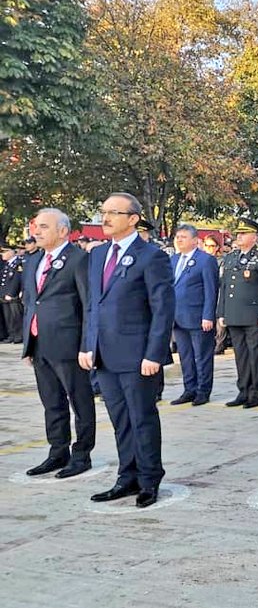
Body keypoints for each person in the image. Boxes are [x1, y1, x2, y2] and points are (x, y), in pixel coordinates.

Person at [81, 192, 174, 508]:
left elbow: (162, 309)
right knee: (120, 419)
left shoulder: (151, 256)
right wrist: (87, 345)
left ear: (133, 218)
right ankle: (127, 476)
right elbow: (93, 305)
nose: (105, 218)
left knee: (142, 417)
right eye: (103, 211)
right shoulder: (97, 255)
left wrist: (154, 354)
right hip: (105, 354)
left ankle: (149, 479)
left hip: (137, 355)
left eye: (113, 213)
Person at [21, 208, 96, 479]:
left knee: (80, 401)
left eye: (43, 227)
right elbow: (31, 301)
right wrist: (29, 342)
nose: (36, 232)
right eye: (35, 226)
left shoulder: (78, 260)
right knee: (51, 402)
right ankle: (57, 451)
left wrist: (86, 345)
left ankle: (82, 454)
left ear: (63, 231)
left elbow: (88, 305)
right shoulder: (33, 261)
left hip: (68, 343)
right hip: (40, 343)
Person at [218, 218, 258, 408]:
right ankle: (243, 390)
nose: (239, 237)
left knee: (256, 356)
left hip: (253, 315)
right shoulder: (231, 257)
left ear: (254, 236)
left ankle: (256, 393)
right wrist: (221, 312)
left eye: (243, 233)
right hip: (234, 314)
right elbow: (224, 287)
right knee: (240, 355)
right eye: (238, 233)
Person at [169, 224, 219, 406]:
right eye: (177, 237)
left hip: (198, 317)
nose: (179, 240)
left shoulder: (205, 260)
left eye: (183, 237)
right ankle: (189, 389)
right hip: (178, 317)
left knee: (202, 356)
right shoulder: (173, 260)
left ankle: (203, 390)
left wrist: (208, 315)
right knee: (185, 356)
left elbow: (211, 290)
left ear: (195, 240)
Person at [1, 247, 24, 343]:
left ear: (10, 252)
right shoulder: (8, 264)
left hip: (12, 295)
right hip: (4, 294)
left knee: (16, 316)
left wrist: (11, 293)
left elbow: (17, 279)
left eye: (4, 252)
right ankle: (12, 334)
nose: (2, 254)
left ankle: (19, 335)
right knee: (8, 316)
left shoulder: (18, 263)